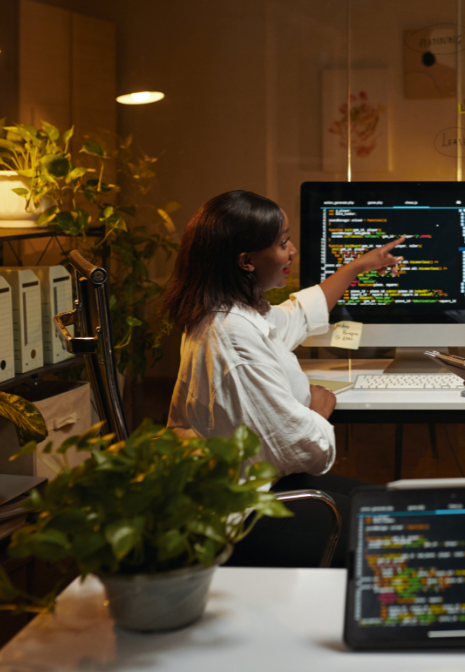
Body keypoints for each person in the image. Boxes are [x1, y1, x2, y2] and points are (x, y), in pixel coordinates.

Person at [160, 190, 404, 567]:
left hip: (264, 485)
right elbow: (299, 446)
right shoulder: (230, 339)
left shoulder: (230, 314)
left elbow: (294, 317)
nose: (292, 252)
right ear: (246, 261)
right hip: (240, 517)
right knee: (397, 535)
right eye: (282, 242)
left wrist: (357, 266)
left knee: (395, 506)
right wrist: (320, 409)